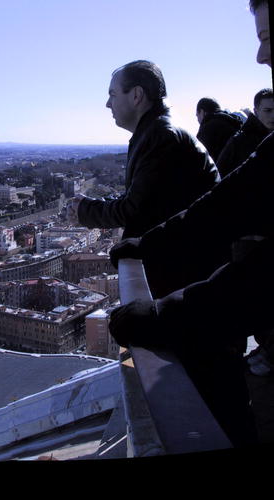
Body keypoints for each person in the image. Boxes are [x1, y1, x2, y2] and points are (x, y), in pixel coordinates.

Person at [106, 0, 274, 448]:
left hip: (204, 290)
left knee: (228, 404)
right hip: (205, 287)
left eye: (266, 40)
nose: (261, 59)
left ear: (136, 95)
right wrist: (148, 242)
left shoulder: (160, 136)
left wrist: (165, 312)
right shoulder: (165, 134)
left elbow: (268, 269)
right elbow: (224, 201)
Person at [79, 60, 222, 297]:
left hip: (186, 271)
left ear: (136, 95)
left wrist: (84, 211)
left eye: (112, 94)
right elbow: (142, 197)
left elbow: (135, 210)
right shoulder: (158, 130)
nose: (107, 104)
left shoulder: (160, 136)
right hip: (191, 263)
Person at [215, 88, 274, 176]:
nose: (273, 115)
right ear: (256, 111)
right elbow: (220, 174)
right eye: (267, 111)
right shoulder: (239, 141)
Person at [196, 97, 246, 165]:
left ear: (202, 112)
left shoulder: (207, 129)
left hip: (221, 173)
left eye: (197, 115)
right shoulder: (235, 123)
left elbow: (198, 159)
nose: (197, 120)